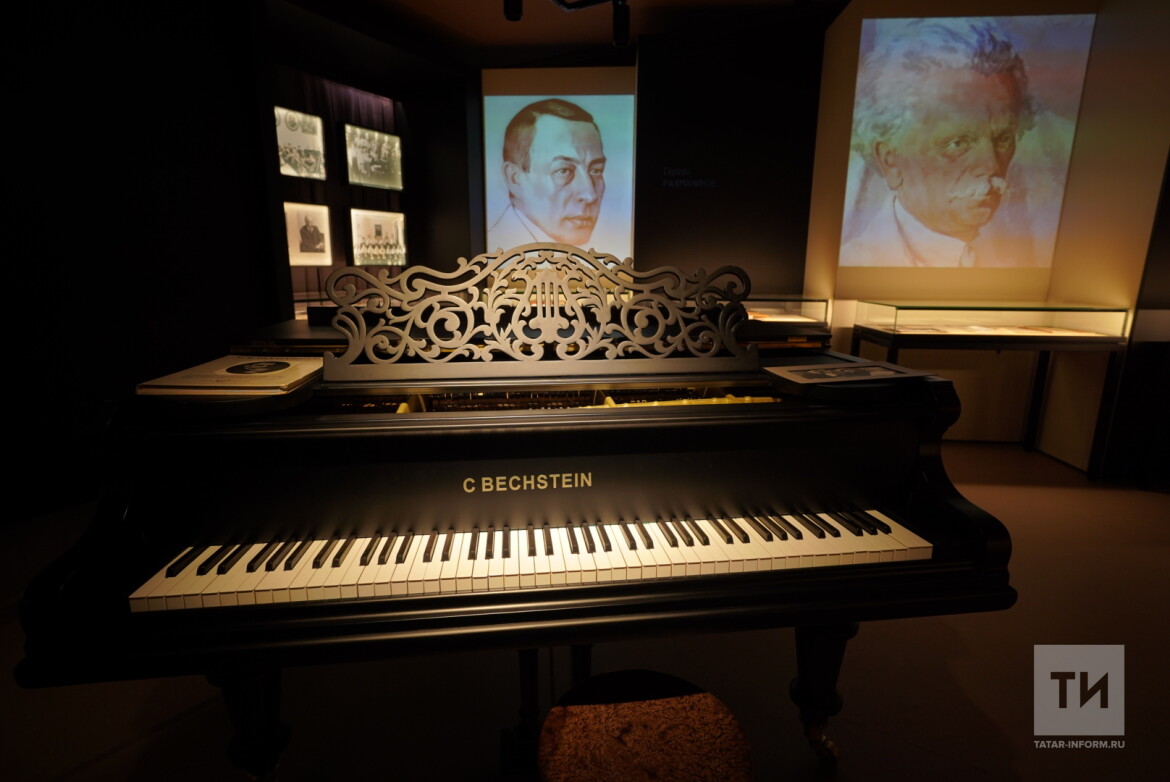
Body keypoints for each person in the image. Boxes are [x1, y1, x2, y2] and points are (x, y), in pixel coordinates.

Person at [840, 18, 1037, 268]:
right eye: (958, 143)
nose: (991, 165)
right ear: (890, 160)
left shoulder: (1025, 254)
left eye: (1003, 139)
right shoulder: (857, 262)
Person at [488, 98, 606, 250]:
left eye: (595, 170)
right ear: (514, 178)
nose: (590, 195)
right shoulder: (494, 257)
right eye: (563, 170)